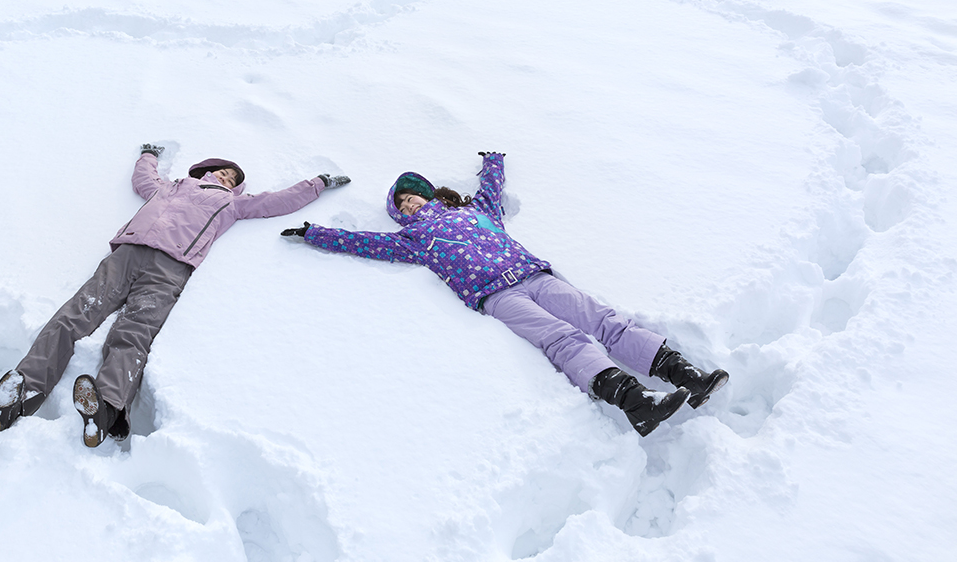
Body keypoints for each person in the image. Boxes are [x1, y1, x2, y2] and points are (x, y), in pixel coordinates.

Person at [280, 152, 726, 436]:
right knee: (561, 340)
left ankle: (685, 375)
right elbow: (366, 244)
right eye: (403, 204)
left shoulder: (477, 211)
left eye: (415, 197)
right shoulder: (411, 239)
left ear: (430, 195)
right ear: (398, 214)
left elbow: (491, 187)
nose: (411, 204)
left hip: (533, 275)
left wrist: (493, 162)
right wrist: (316, 233)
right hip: (496, 296)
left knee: (604, 322)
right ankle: (635, 401)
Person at [0, 144, 350, 446]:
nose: (227, 180)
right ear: (205, 171)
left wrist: (316, 183)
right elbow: (143, 179)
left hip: (170, 268)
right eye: (223, 173)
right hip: (127, 254)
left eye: (233, 180)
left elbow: (278, 201)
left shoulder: (234, 204)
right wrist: (148, 154)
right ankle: (23, 392)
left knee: (132, 333)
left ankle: (107, 407)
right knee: (75, 316)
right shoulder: (171, 186)